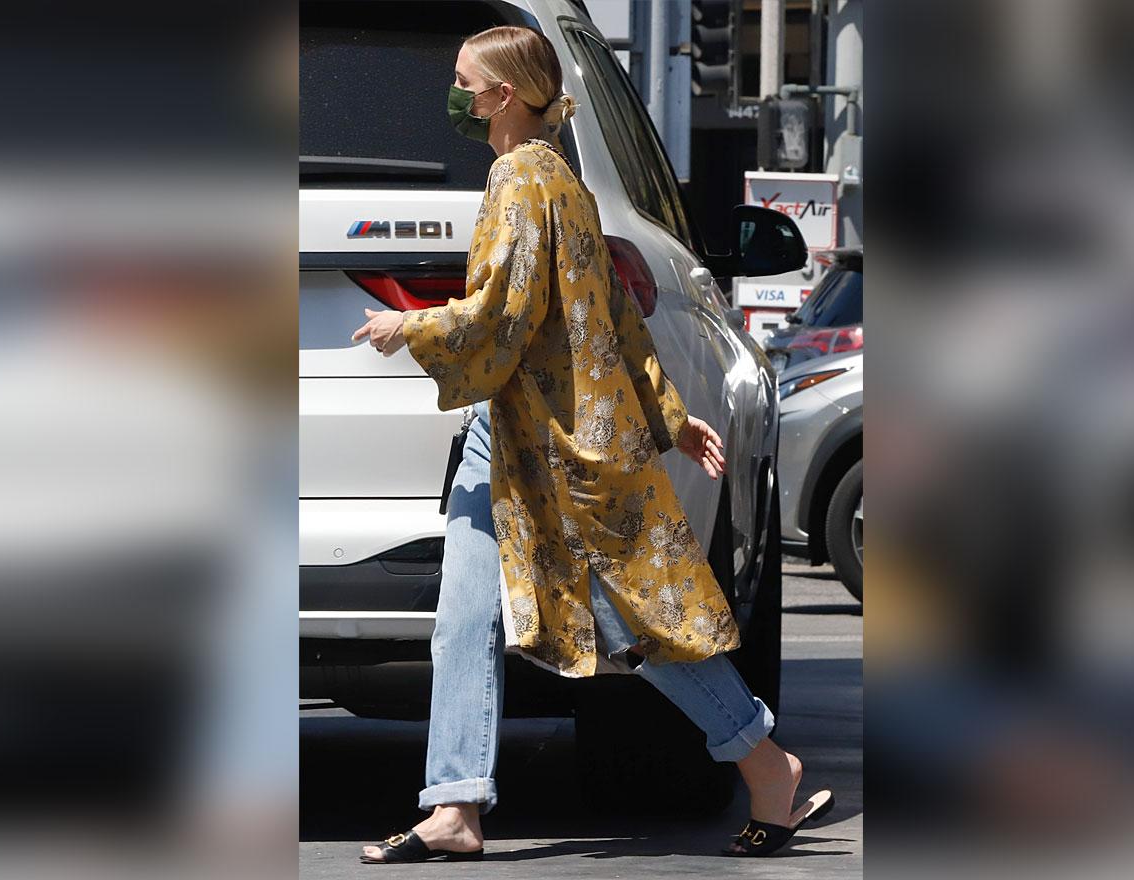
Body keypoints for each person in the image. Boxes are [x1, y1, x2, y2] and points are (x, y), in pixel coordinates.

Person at [351, 25, 832, 862]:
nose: (456, 97)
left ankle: (765, 762)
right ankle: (455, 803)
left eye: (465, 82)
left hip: (556, 446)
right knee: (464, 617)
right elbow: (610, 313)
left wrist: (410, 324)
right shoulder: (563, 180)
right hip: (512, 431)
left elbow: (506, 313)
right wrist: (668, 414)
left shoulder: (520, 180)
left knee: (631, 620)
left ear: (504, 95)